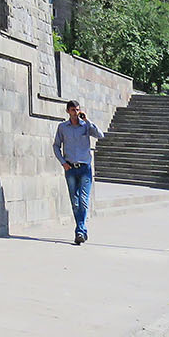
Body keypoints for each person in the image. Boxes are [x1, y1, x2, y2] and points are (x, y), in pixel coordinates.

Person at [53, 99, 105, 244]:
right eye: (72, 110)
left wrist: (87, 120)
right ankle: (81, 230)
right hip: (70, 168)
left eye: (77, 110)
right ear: (68, 111)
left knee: (83, 200)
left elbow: (100, 135)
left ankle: (80, 231)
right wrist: (63, 162)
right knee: (75, 202)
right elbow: (56, 146)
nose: (75, 113)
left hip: (85, 168)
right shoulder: (63, 127)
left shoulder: (86, 126)